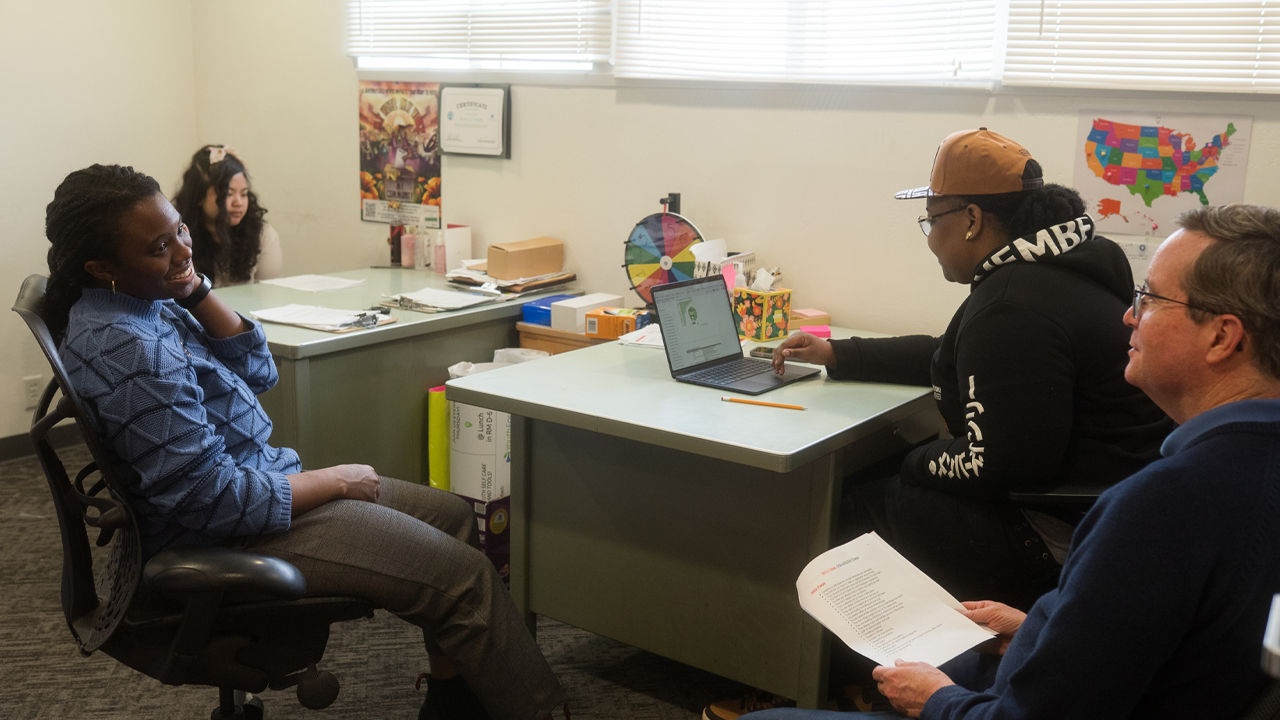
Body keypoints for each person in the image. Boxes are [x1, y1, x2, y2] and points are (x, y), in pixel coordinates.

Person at [44, 164, 564, 720]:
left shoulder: (146, 301)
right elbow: (208, 500)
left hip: (254, 484)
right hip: (228, 530)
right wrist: (336, 479)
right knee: (465, 580)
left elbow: (259, 370)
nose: (180, 251)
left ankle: (453, 702)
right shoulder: (127, 347)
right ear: (103, 267)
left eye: (180, 231)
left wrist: (194, 288)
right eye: (158, 247)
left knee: (452, 517)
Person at [739, 203, 1280, 719]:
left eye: (1152, 299)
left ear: (1222, 336)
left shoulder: (1158, 509)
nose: (1128, 316)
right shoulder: (1239, 474)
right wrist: (1039, 630)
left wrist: (936, 700)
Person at [778, 128, 1171, 608]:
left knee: (846, 500)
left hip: (1056, 536)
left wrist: (916, 458)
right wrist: (839, 354)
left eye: (931, 221)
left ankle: (864, 672)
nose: (931, 241)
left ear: (971, 219)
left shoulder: (1012, 305)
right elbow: (955, 351)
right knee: (886, 471)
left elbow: (999, 465)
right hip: (1108, 515)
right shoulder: (1061, 268)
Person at [171, 144, 283, 286]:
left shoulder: (263, 235)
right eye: (228, 194)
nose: (239, 202)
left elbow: (268, 294)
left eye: (244, 194)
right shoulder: (179, 236)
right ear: (199, 196)